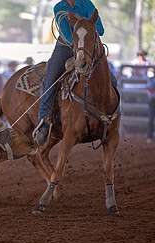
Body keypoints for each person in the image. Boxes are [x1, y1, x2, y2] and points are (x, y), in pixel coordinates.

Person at [35, 0, 105, 146]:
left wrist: (86, 36)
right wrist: (78, 41)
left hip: (88, 45)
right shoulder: (59, 8)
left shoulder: (86, 3)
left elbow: (100, 29)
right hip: (65, 47)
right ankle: (44, 124)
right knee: (51, 79)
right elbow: (66, 34)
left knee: (110, 80)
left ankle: (109, 118)